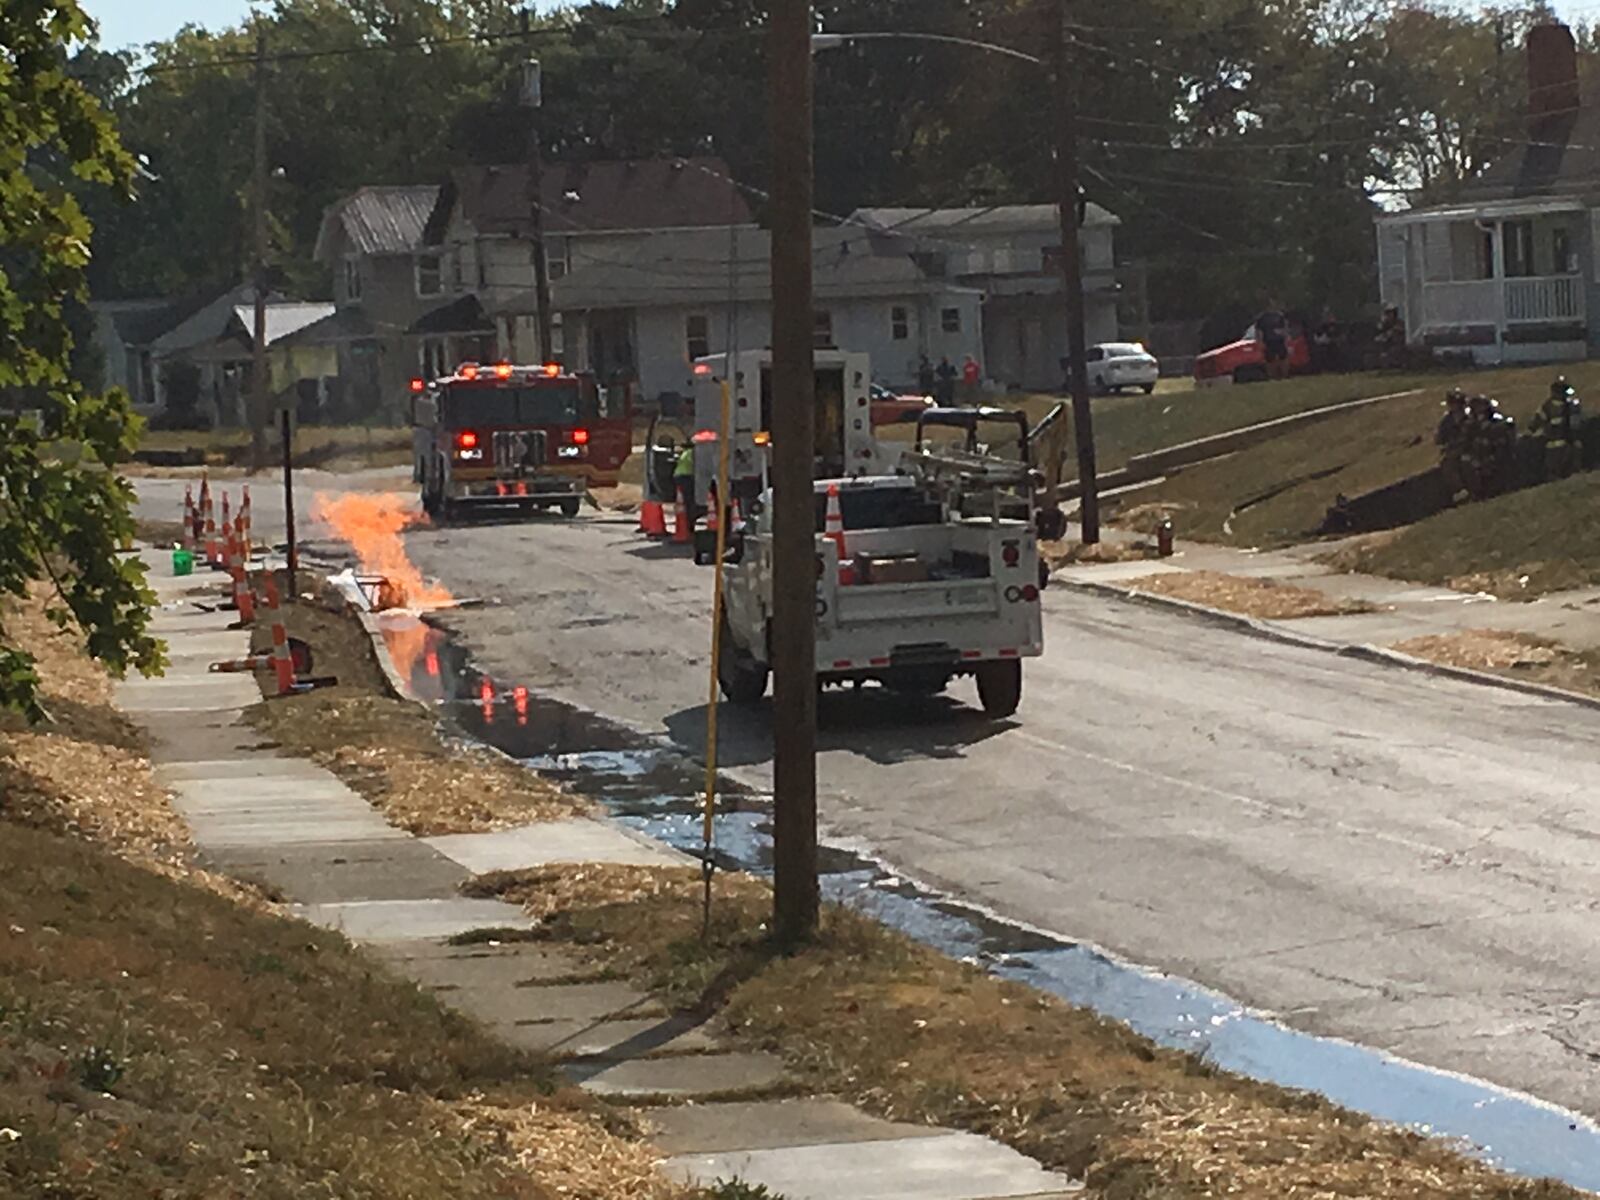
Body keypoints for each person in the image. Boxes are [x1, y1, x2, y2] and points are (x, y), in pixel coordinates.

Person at [1531, 375, 1583, 481]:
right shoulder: (1565, 406)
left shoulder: (1549, 406)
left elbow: (1537, 421)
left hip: (1557, 445)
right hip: (1561, 444)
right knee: (1563, 470)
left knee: (1557, 471)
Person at [1436, 388, 1469, 499]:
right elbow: (1439, 439)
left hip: (1471, 445)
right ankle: (1459, 489)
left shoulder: (1470, 416)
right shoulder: (1446, 421)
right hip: (1455, 449)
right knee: (1447, 463)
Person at [1255, 299, 1290, 381]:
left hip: (1279, 340)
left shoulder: (1280, 316)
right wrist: (1260, 341)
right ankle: (1272, 377)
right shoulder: (1262, 318)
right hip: (1268, 341)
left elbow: (1285, 327)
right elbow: (1259, 330)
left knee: (1283, 358)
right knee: (1270, 360)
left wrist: (1285, 336)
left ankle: (1284, 376)